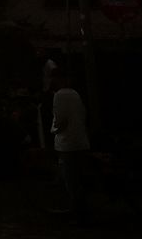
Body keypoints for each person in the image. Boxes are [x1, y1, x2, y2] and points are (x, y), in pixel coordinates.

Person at [50, 67, 90, 224]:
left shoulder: (59, 95)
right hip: (81, 141)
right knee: (79, 179)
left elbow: (60, 120)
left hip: (67, 143)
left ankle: (77, 212)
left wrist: (54, 129)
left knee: (71, 180)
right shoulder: (75, 94)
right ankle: (81, 210)